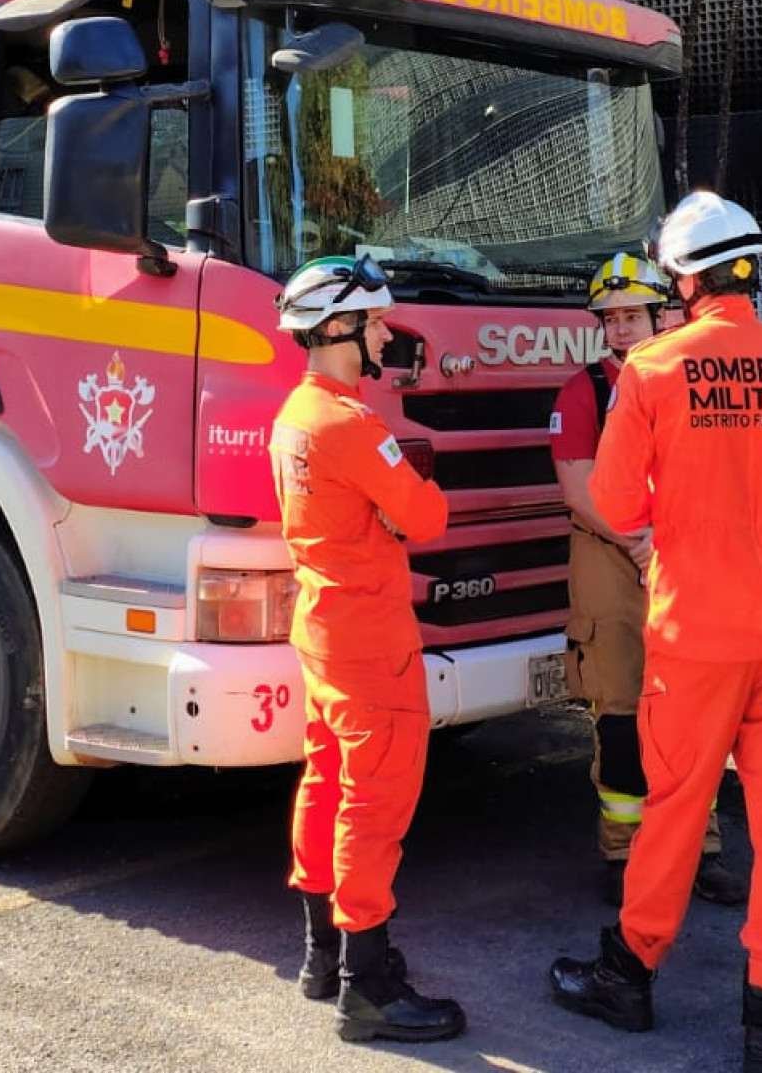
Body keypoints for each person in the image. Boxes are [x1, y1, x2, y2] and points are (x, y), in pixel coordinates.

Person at [547, 193, 762, 1072]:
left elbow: (613, 502)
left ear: (682, 278)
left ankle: (629, 972)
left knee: (675, 809)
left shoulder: (649, 371)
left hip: (693, 636)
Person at [269, 254, 468, 1044]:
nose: (387, 332)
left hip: (321, 629)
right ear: (341, 329)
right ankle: (368, 982)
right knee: (374, 802)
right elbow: (428, 517)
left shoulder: (294, 415)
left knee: (326, 781)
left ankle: (323, 954)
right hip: (371, 640)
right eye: (376, 321)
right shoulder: (354, 425)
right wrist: (402, 503)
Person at [551, 252, 739, 907]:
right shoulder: (584, 391)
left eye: (632, 314)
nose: (621, 328)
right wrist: (639, 543)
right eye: (611, 317)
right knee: (623, 716)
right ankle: (621, 850)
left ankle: (702, 846)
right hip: (615, 561)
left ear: (662, 314)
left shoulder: (687, 381)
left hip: (679, 556)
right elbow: (578, 490)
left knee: (694, 714)